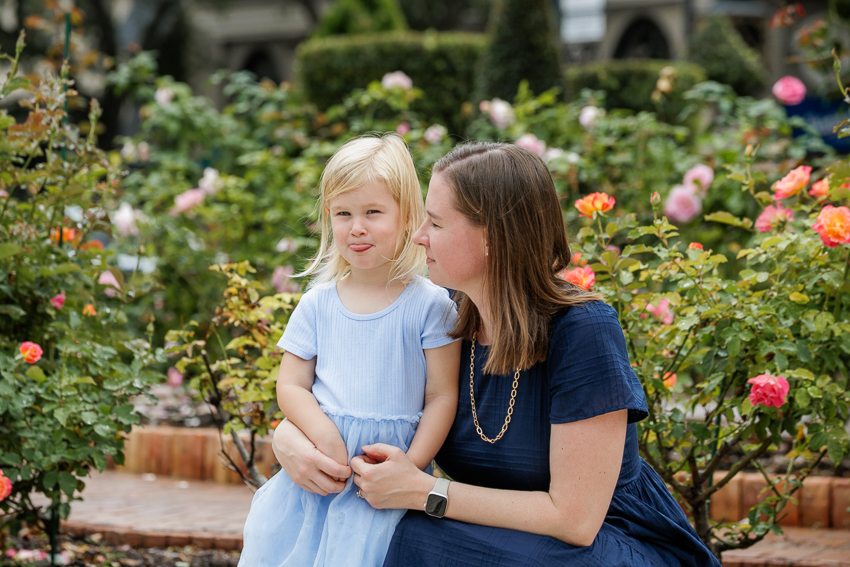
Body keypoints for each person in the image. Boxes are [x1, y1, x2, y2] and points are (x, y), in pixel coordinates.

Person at [272, 141, 723, 566]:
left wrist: (425, 492)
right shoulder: (443, 320)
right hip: (501, 539)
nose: (419, 237)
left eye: (436, 223)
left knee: (419, 539)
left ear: (492, 236)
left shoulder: (583, 331)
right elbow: (351, 398)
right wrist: (287, 441)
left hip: (602, 544)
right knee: (403, 536)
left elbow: (576, 521)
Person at [238, 134, 461, 567]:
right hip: (317, 474)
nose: (356, 227)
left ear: (407, 216)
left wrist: (410, 467)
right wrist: (323, 435)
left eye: (373, 212)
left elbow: (441, 396)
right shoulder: (317, 304)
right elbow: (291, 385)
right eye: (343, 213)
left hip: (384, 477)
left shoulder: (430, 306)